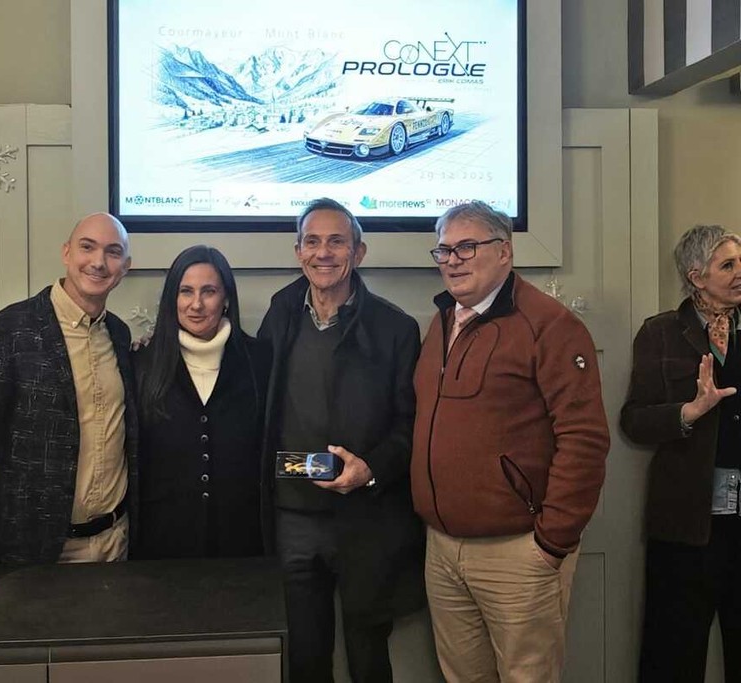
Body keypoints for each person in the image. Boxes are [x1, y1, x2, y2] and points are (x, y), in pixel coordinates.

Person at [411, 200, 609, 682]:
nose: (453, 260)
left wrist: (551, 542)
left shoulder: (550, 325)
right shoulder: (442, 321)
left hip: (518, 552)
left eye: (467, 247)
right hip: (443, 549)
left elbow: (584, 439)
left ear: (505, 251)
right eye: (444, 250)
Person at [259, 197, 424, 683]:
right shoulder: (280, 313)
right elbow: (249, 386)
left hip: (366, 521)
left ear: (359, 251)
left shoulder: (396, 329)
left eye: (337, 241)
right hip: (293, 518)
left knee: (368, 658)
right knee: (304, 658)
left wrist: (371, 468)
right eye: (312, 241)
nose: (323, 252)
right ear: (298, 251)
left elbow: (411, 424)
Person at [0, 212, 136, 582]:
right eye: (87, 247)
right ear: (66, 253)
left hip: (114, 545)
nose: (98, 261)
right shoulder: (11, 330)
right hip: (28, 551)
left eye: (112, 252)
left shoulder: (120, 336)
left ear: (125, 267)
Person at [621, 224, 741, 682]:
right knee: (672, 656)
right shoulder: (660, 333)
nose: (739, 273)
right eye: (727, 265)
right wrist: (688, 412)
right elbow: (634, 420)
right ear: (696, 276)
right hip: (686, 523)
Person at [132, 245, 271, 559]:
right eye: (186, 291)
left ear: (226, 299)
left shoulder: (261, 361)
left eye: (209, 291)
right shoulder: (141, 363)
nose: (196, 304)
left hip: (243, 543)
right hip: (161, 545)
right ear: (173, 299)